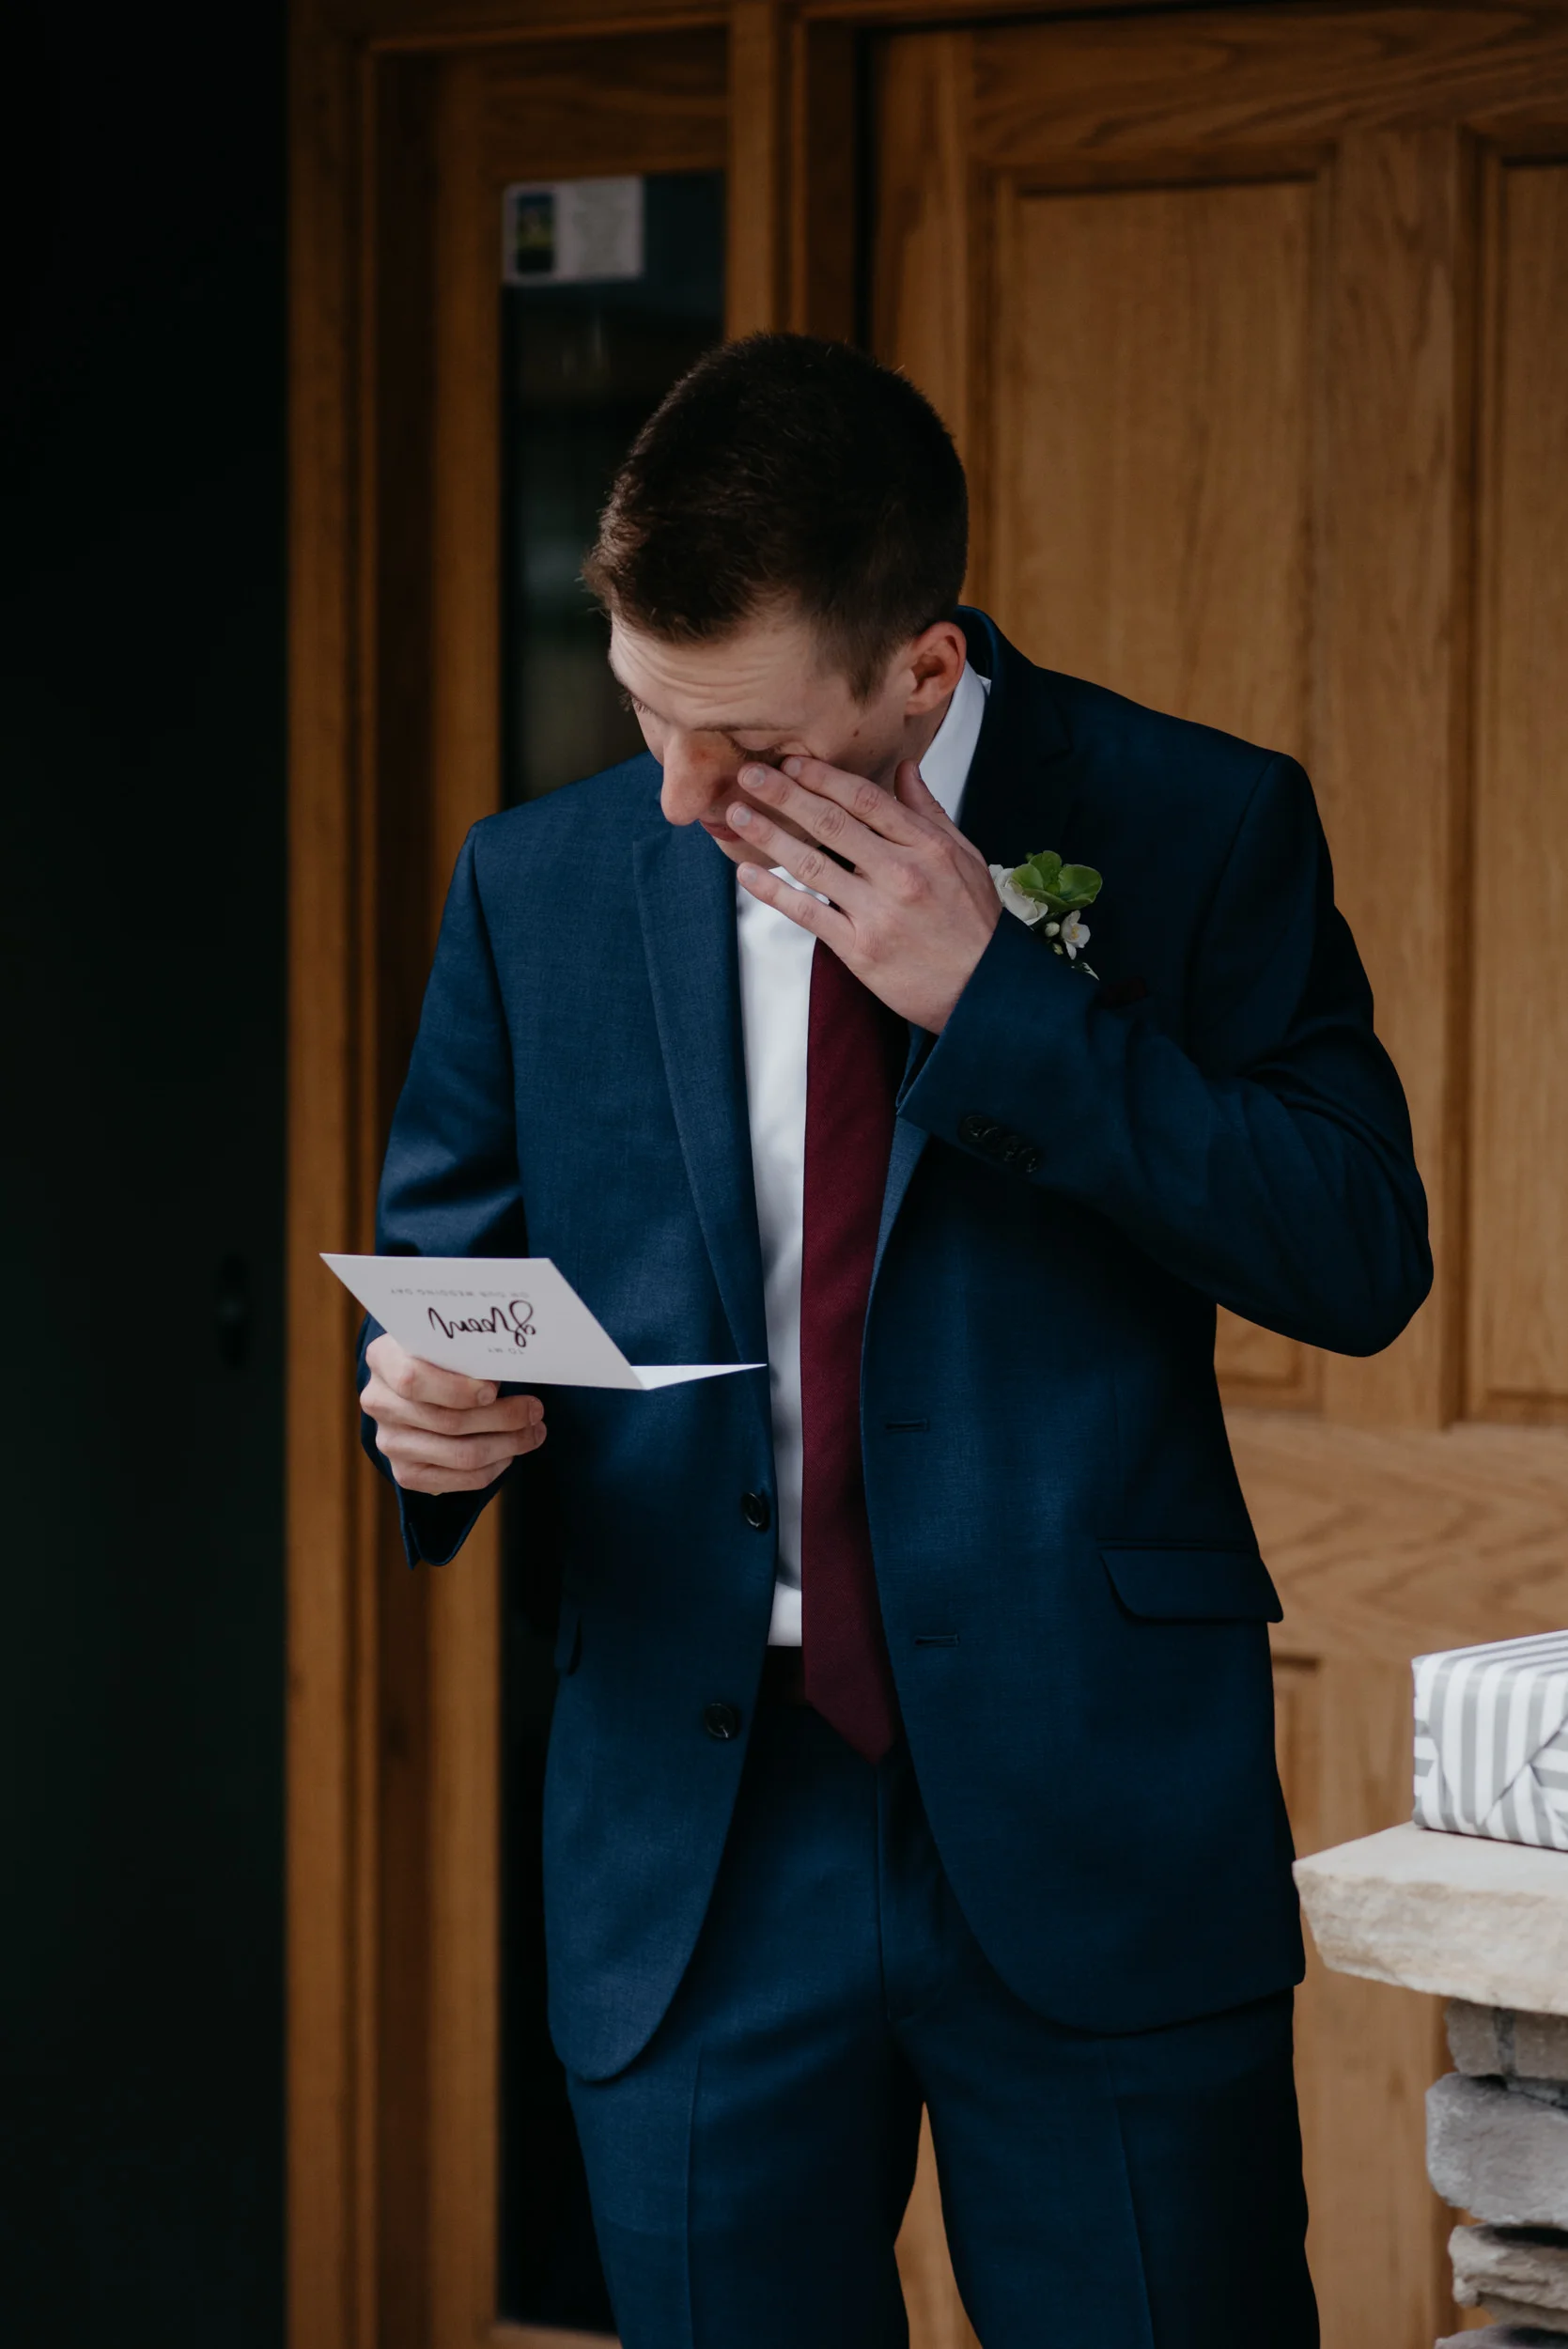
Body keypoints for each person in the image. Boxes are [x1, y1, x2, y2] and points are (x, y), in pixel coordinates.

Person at [356, 333, 1429, 2347]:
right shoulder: (536, 880)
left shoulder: (1197, 823)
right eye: (647, 708)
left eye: (747, 741)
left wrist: (1002, 1003)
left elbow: (1359, 1253)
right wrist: (430, 1418)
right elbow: (449, 1275)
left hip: (1093, 1811)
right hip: (696, 1837)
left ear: (924, 671)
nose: (679, 793)